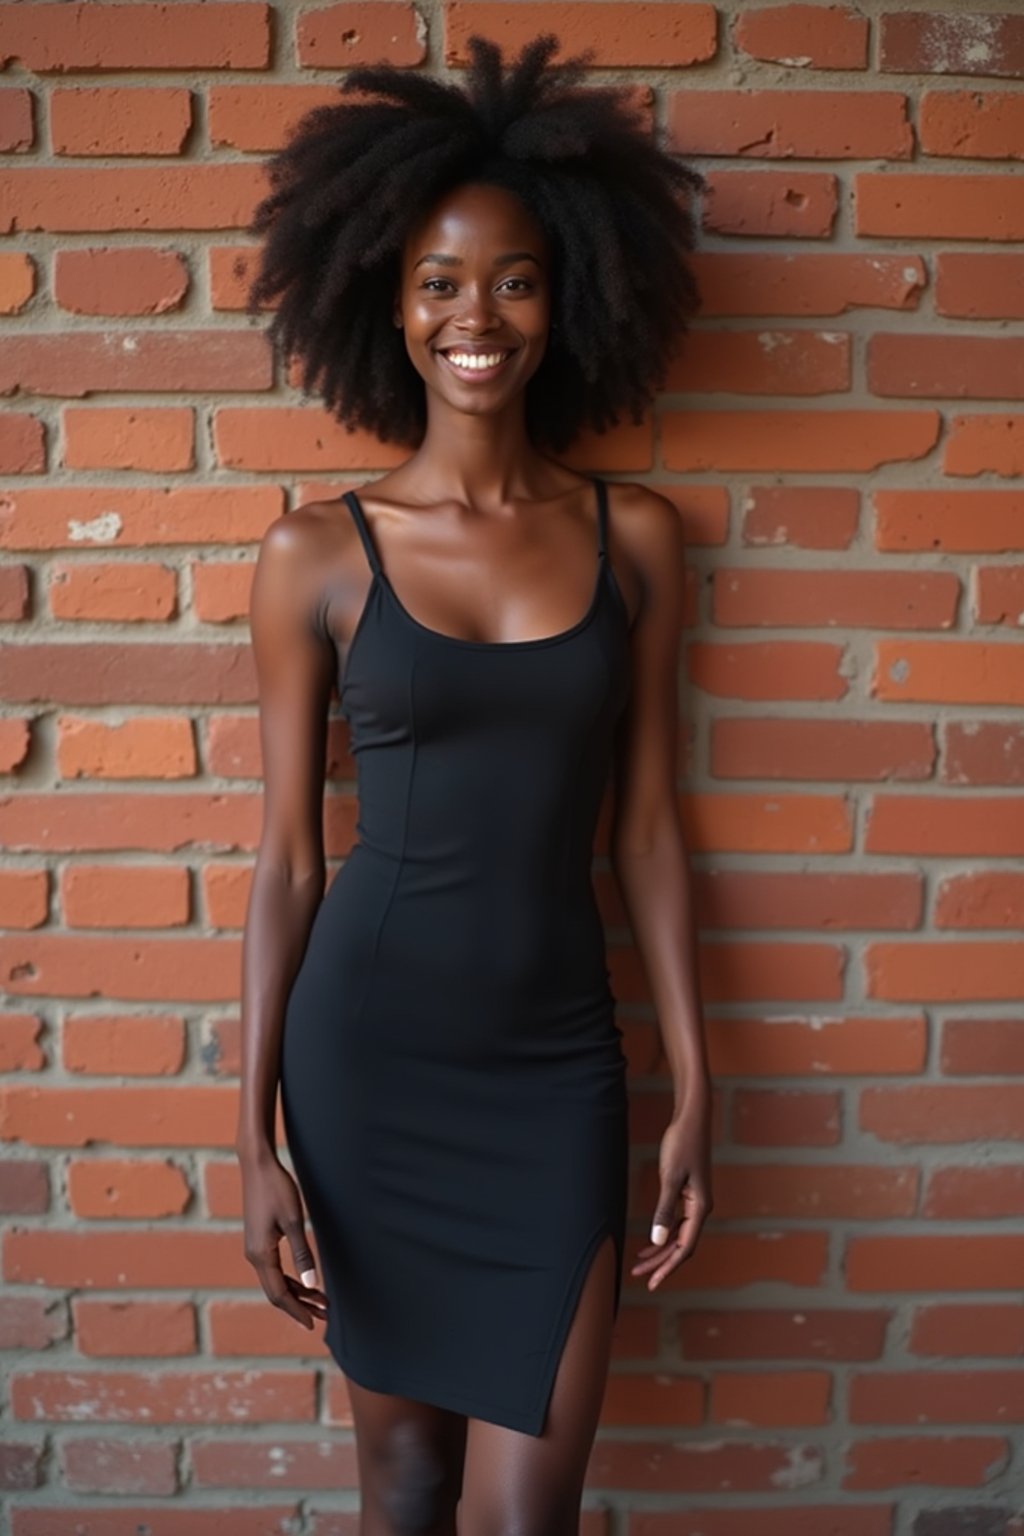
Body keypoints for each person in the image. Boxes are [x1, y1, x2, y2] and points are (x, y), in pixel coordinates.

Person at [234, 32, 712, 1535]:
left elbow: (642, 825)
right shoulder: (316, 554)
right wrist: (250, 1135)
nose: (476, 316)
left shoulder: (633, 538)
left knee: (525, 1515)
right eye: (439, 282)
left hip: (557, 1065)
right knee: (408, 1481)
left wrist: (696, 1078)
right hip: (368, 1065)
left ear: (565, 293)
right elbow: (290, 861)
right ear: (386, 298)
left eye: (512, 277)